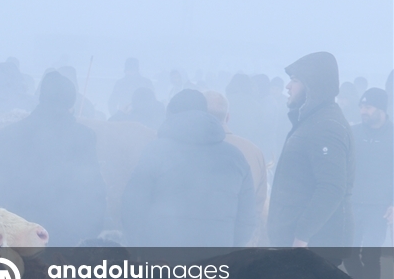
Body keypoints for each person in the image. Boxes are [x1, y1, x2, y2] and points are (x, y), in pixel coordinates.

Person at [122, 89, 256, 247]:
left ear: (169, 115)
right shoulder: (236, 157)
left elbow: (132, 208)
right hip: (217, 261)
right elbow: (247, 220)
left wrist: (141, 248)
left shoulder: (156, 151)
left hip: (163, 258)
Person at [0, 71, 105, 246]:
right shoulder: (84, 136)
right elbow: (93, 189)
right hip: (67, 236)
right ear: (71, 102)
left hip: (17, 233)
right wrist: (91, 229)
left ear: (41, 97)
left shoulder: (9, 134)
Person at [267, 52, 354, 259]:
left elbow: (332, 187)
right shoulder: (313, 121)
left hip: (315, 245)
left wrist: (302, 236)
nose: (288, 87)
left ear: (313, 86)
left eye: (295, 81)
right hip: (301, 243)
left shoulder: (326, 127)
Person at [345, 88, 393, 279]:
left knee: (371, 256)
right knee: (348, 253)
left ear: (381, 109)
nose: (363, 111)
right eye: (361, 107)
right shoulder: (353, 133)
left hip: (379, 207)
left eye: (368, 107)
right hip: (353, 204)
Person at [205, 91, 269, 245]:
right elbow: (259, 202)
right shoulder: (254, 151)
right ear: (228, 117)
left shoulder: (189, 149)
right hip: (242, 245)